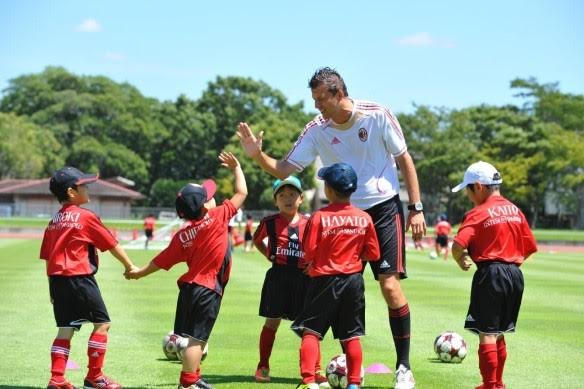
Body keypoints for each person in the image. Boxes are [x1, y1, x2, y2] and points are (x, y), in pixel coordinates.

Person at [238, 67, 425, 388]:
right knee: (338, 287)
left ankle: (404, 367)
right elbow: (283, 168)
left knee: (390, 286)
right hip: (343, 213)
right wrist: (256, 155)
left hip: (383, 209)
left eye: (320, 99)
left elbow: (404, 158)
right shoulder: (317, 130)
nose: (316, 106)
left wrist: (416, 208)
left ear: (338, 93)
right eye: (314, 100)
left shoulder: (377, 114)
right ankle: (346, 372)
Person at [127, 152, 247, 389]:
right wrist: (237, 167)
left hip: (189, 289)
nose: (214, 198)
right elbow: (242, 192)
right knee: (197, 340)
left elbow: (160, 261)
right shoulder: (217, 217)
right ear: (205, 205)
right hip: (207, 288)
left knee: (193, 337)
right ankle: (188, 382)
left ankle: (195, 376)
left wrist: (139, 272)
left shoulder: (182, 236)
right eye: (210, 197)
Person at [41, 166, 138, 389]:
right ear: (71, 192)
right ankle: (95, 377)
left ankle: (57, 379)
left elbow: (48, 258)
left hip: (57, 280)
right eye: (83, 185)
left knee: (65, 329)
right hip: (79, 278)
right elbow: (111, 244)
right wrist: (129, 265)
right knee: (102, 325)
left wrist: (51, 290)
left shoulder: (54, 221)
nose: (87, 188)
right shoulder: (86, 217)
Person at [291, 163, 380, 389]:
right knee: (351, 335)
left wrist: (313, 265)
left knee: (311, 332)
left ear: (328, 190)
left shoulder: (319, 217)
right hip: (353, 281)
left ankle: (309, 381)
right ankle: (354, 384)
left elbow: (308, 252)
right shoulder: (364, 218)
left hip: (324, 280)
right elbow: (374, 253)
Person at [450, 161, 537, 389]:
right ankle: (497, 383)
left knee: (486, 333)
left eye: (468, 190)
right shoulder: (516, 210)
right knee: (499, 332)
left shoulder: (477, 213)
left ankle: (489, 385)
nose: (468, 196)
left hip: (490, 274)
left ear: (478, 186)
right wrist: (509, 267)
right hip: (515, 274)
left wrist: (460, 259)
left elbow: (458, 245)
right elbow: (529, 248)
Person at [252, 176, 326, 385]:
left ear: (301, 198)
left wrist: (313, 264)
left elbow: (320, 246)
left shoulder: (310, 222)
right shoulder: (269, 222)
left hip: (304, 279)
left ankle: (315, 369)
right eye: (282, 195)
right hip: (278, 276)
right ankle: (263, 365)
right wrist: (269, 254)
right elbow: (257, 240)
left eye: (292, 194)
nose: (287, 199)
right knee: (272, 321)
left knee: (308, 326)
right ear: (275, 200)